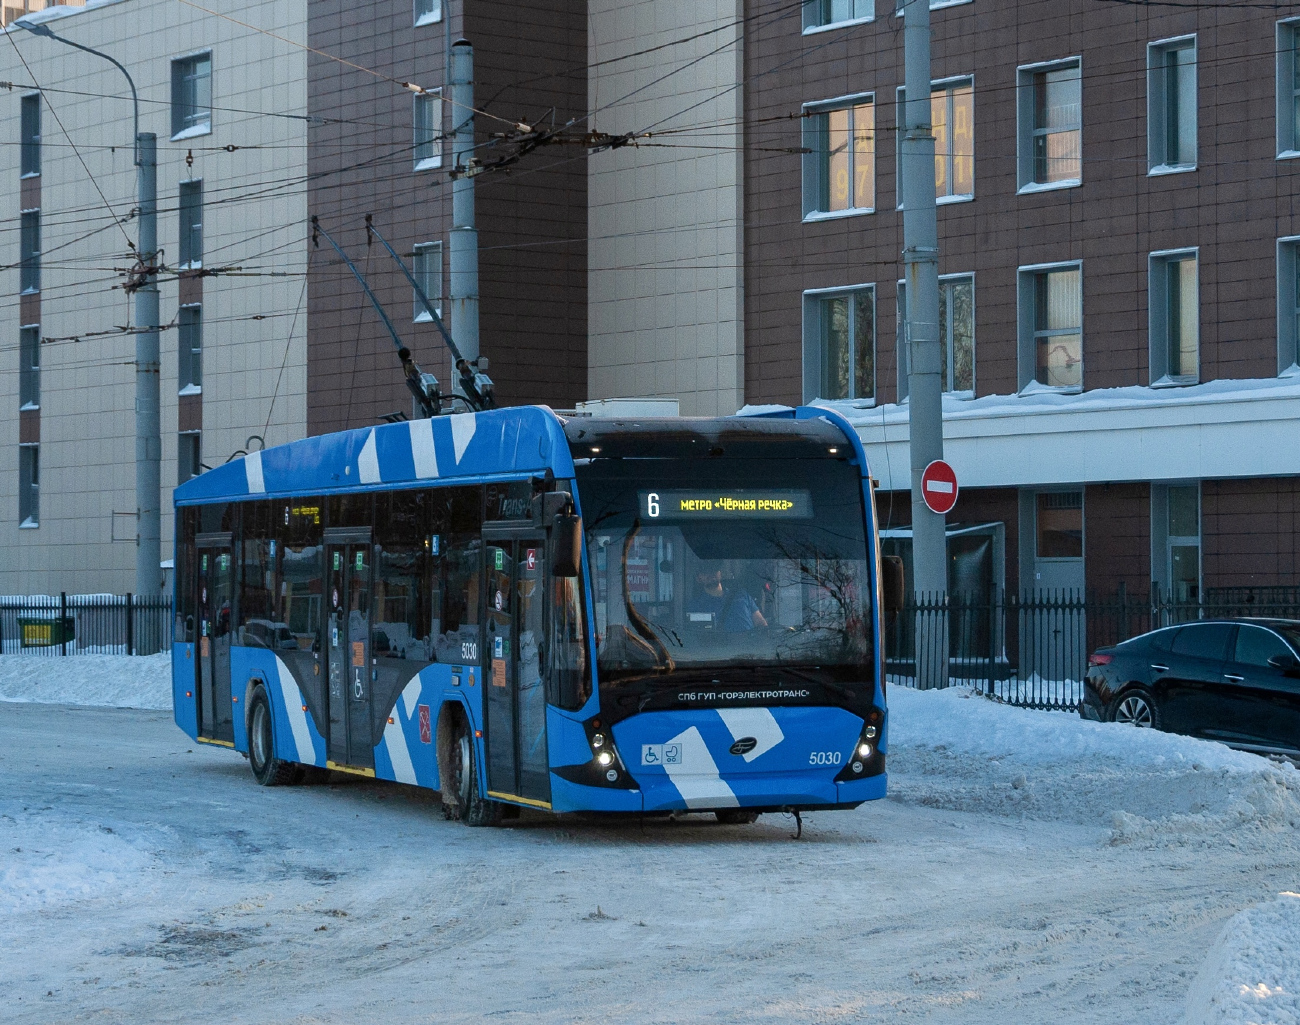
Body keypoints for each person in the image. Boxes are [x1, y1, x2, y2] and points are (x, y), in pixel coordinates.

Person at [689, 563, 767, 632]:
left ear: (720, 573)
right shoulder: (695, 605)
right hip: (718, 647)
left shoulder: (742, 594)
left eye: (714, 569)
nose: (711, 573)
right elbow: (697, 636)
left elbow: (760, 623)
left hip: (750, 646)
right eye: (706, 571)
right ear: (698, 578)